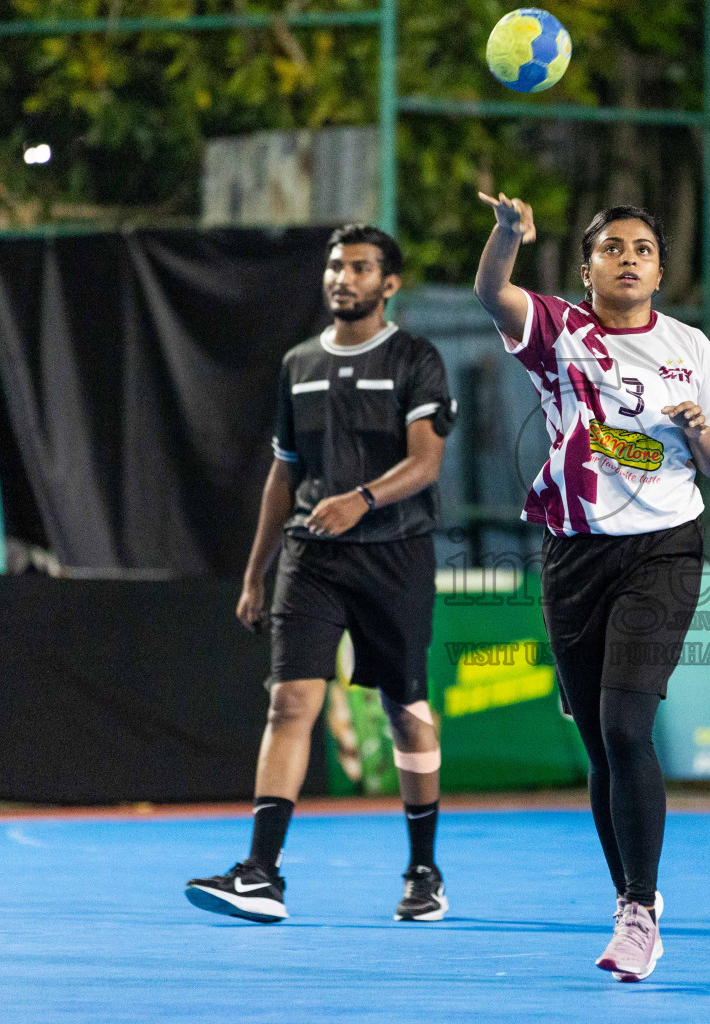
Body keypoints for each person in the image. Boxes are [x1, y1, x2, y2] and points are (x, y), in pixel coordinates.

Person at [474, 192, 710, 982]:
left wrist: (696, 432)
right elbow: (492, 294)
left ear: (660, 269)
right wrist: (509, 236)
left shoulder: (690, 346)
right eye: (613, 248)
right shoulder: (559, 332)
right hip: (574, 555)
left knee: (628, 727)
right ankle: (630, 897)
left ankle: (638, 909)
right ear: (587, 268)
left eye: (644, 249)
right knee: (598, 742)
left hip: (663, 551)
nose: (629, 258)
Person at [185, 224, 457, 925]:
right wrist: (255, 573)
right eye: (336, 266)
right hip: (312, 557)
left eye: (361, 268)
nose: (343, 277)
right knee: (289, 703)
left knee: (405, 711)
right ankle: (261, 873)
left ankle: (423, 871)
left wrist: (362, 499)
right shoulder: (298, 363)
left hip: (395, 552)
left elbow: (426, 463)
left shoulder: (415, 358)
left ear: (388, 284)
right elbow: (284, 472)